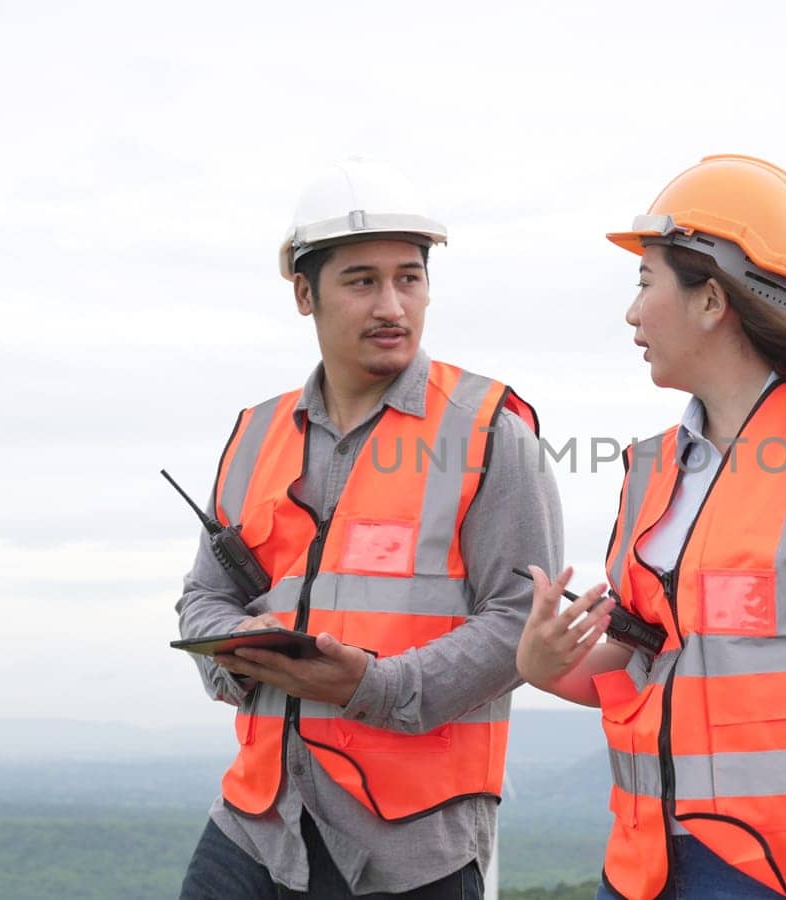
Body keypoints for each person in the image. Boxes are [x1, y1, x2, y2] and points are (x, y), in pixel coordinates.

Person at [515, 155, 786, 899]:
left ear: (711, 300)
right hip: (650, 865)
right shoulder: (656, 469)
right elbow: (649, 664)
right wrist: (546, 667)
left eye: (645, 283)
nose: (632, 312)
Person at [175, 157, 562, 899]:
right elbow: (203, 593)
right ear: (304, 294)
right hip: (260, 817)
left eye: (409, 278)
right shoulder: (255, 434)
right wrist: (234, 659)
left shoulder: (490, 432)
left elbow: (521, 619)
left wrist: (377, 686)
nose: (392, 304)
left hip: (412, 841)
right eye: (362, 281)